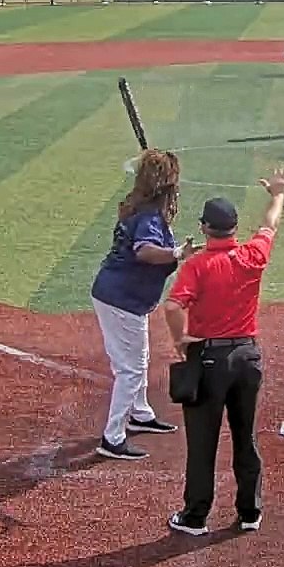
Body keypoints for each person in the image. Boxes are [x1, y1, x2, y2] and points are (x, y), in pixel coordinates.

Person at [159, 166, 284, 535]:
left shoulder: (198, 265)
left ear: (205, 228)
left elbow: (172, 307)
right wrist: (278, 193)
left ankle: (196, 516)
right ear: (233, 227)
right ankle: (250, 512)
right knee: (245, 436)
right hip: (247, 357)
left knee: (203, 442)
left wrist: (180, 341)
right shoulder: (252, 255)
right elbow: (270, 225)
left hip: (210, 359)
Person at [91, 149, 199, 461]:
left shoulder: (141, 208)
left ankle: (139, 413)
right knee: (131, 369)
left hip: (120, 296)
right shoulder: (149, 217)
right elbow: (146, 251)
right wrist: (178, 253)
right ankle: (113, 437)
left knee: (139, 358)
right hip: (120, 299)